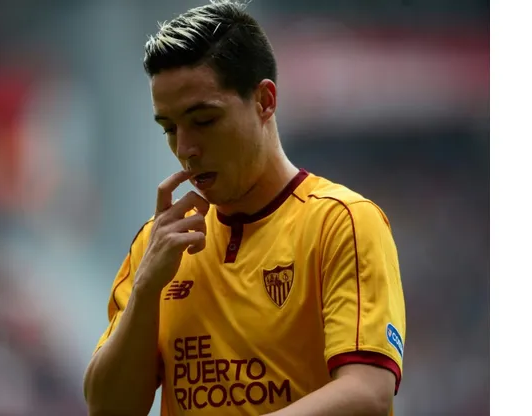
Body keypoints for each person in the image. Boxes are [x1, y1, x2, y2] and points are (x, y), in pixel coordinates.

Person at [83, 1, 406, 415]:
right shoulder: (157, 245)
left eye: (204, 121)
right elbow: (107, 409)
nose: (185, 149)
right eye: (169, 128)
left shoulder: (341, 222)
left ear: (265, 101)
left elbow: (368, 395)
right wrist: (147, 287)